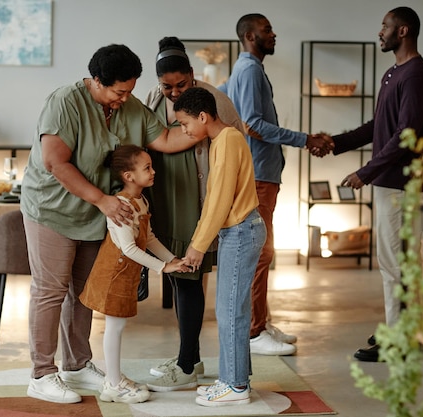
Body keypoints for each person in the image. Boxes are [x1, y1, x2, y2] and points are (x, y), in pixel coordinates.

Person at [21, 44, 197, 404]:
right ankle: (41, 373)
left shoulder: (127, 105)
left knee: (83, 292)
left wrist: (212, 128)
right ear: (96, 81)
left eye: (130, 90)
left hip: (95, 215)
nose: (125, 98)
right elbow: (56, 162)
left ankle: (77, 364)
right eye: (119, 91)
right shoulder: (65, 103)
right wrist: (103, 200)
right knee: (50, 290)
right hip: (52, 210)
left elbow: (164, 139)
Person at [323, 6, 423, 362]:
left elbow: (406, 135)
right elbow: (378, 127)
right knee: (398, 262)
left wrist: (366, 171)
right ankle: (401, 329)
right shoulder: (393, 74)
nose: (379, 31)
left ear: (402, 31)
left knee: (396, 264)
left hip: (401, 184)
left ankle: (400, 342)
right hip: (389, 182)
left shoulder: (415, 74)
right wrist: (335, 143)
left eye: (384, 26)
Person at [220, 13, 333, 356]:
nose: (274, 34)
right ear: (250, 35)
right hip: (257, 174)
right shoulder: (250, 69)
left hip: (261, 172)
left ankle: (259, 322)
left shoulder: (244, 68)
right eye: (267, 29)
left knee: (263, 251)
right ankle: (254, 332)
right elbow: (253, 124)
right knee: (260, 253)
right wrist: (304, 138)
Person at [142, 36, 244, 392]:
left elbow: (234, 140)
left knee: (188, 277)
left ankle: (187, 363)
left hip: (196, 202)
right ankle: (192, 357)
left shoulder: (214, 100)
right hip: (165, 199)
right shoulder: (153, 100)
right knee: (175, 272)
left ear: (192, 74)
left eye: (180, 84)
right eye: (166, 86)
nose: (173, 92)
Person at [176, 87, 267, 407]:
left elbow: (219, 199)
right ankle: (234, 378)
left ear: (203, 117)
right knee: (231, 310)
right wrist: (198, 242)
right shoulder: (221, 141)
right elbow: (214, 200)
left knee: (230, 312)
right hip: (237, 232)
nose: (184, 131)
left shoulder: (227, 141)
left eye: (185, 124)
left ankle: (236, 385)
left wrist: (198, 246)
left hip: (242, 232)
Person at [79, 145, 189, 403]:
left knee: (118, 327)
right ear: (128, 176)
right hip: (113, 275)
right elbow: (128, 249)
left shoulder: (141, 201)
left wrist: (171, 259)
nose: (153, 171)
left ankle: (114, 379)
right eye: (147, 168)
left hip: (126, 275)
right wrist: (163, 268)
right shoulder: (122, 206)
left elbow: (148, 238)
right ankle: (113, 385)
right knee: (114, 328)